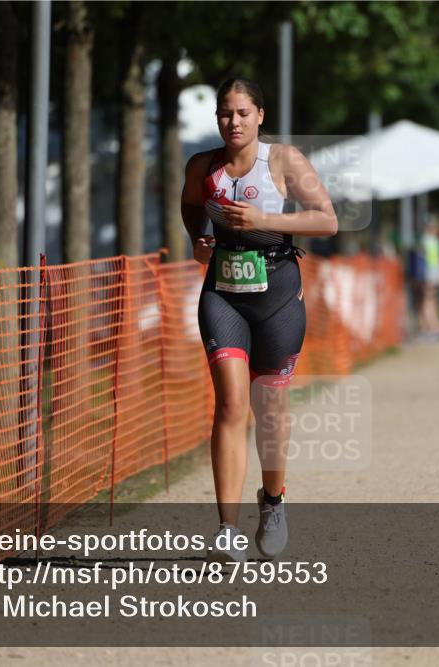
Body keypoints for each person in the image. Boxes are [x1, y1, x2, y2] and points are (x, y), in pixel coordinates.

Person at [180, 78, 337, 563]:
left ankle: (273, 502)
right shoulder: (202, 166)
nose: (234, 122)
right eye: (226, 114)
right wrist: (197, 237)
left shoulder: (283, 161)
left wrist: (265, 223)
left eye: (243, 112)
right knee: (230, 404)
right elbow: (190, 204)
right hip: (223, 295)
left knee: (269, 411)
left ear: (260, 116)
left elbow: (326, 219)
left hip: (277, 294)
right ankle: (226, 529)